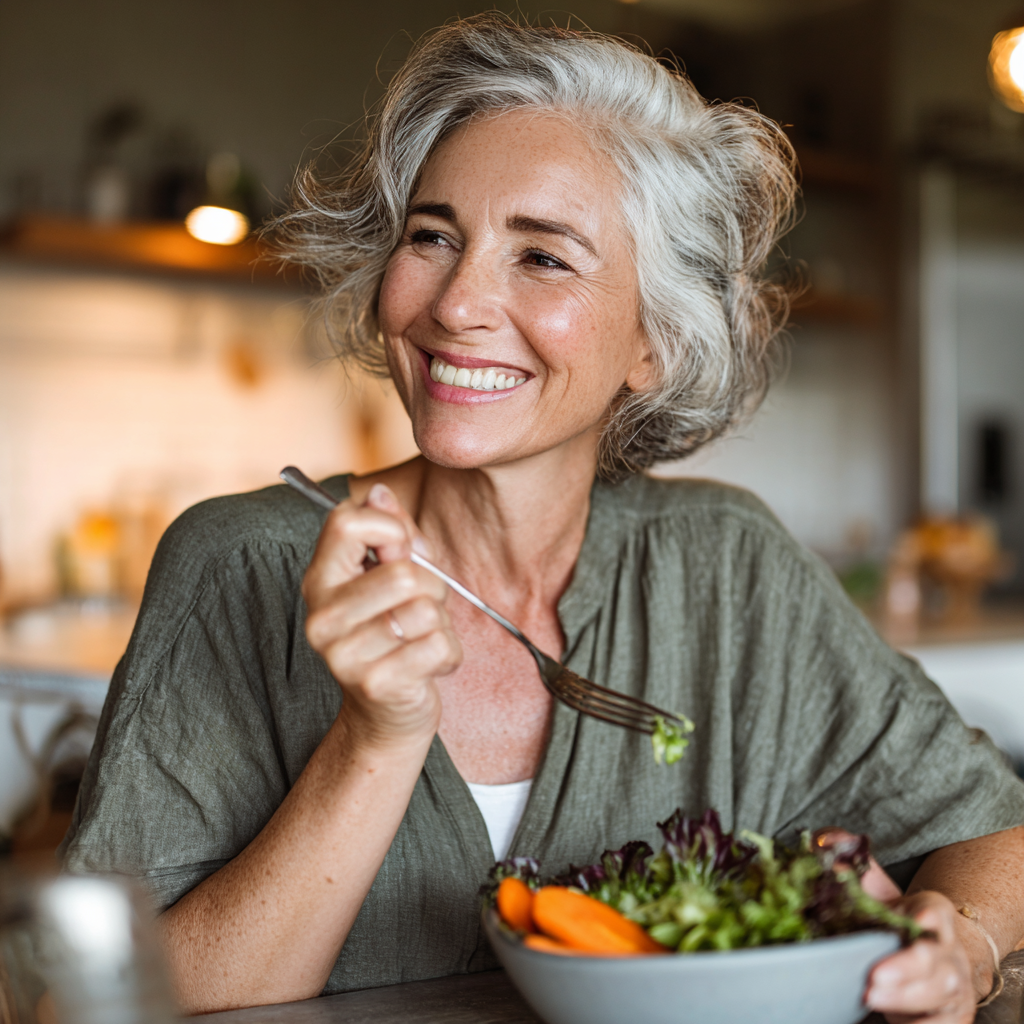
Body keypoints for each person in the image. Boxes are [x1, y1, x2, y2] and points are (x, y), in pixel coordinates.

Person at [61, 15, 1024, 1021]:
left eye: (543, 257)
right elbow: (100, 1001)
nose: (457, 303)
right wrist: (374, 742)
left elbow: (993, 829)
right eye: (433, 236)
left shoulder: (727, 567)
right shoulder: (240, 566)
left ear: (652, 341)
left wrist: (962, 941)